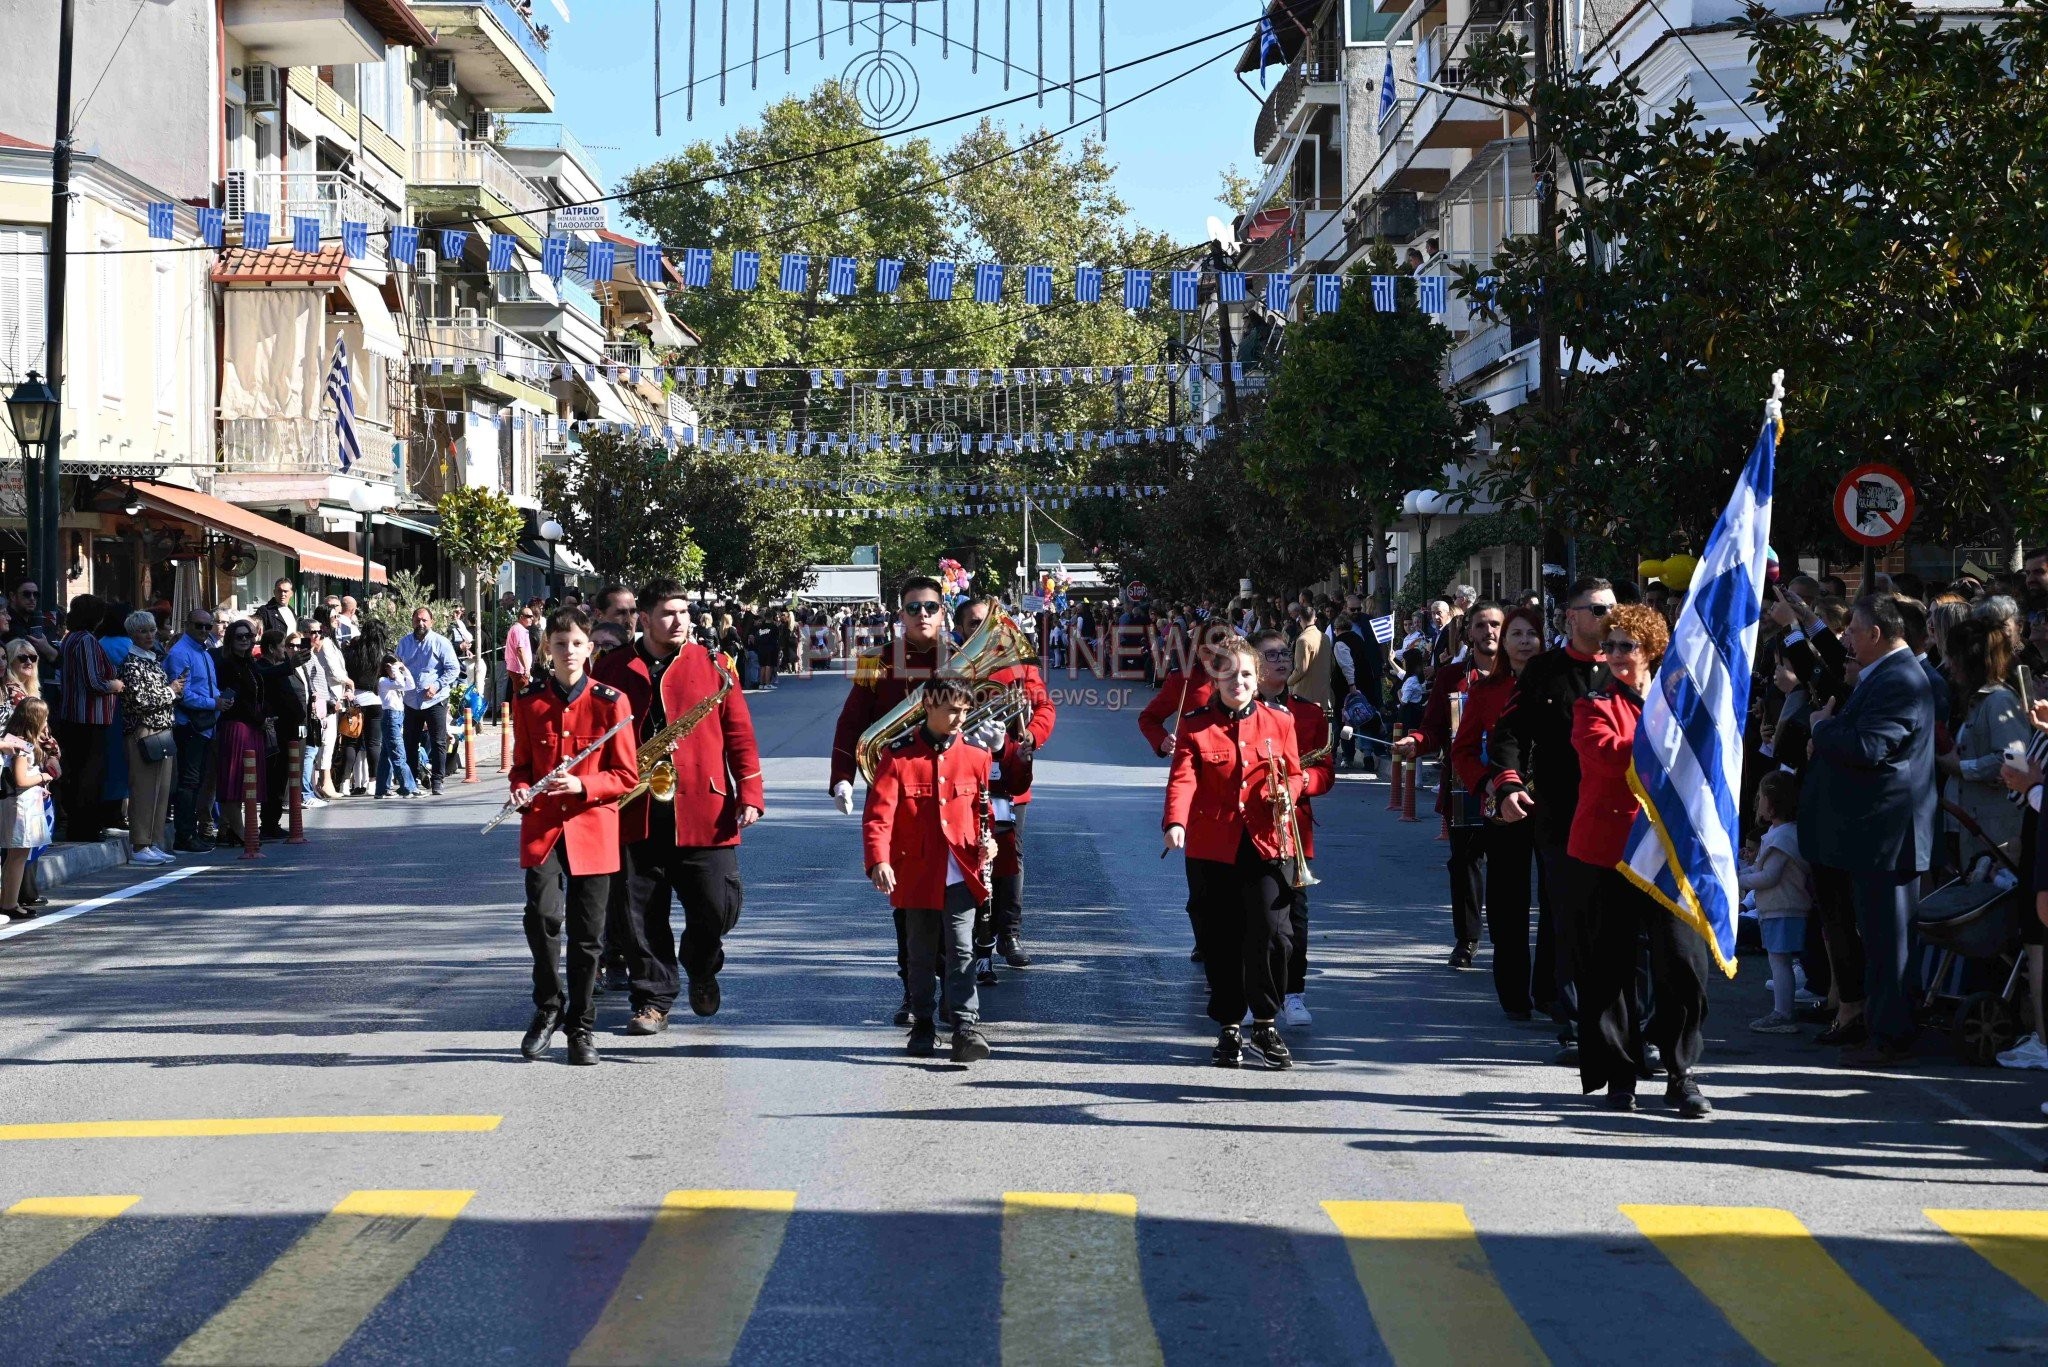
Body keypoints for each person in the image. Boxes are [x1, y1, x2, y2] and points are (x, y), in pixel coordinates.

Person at [593, 578, 764, 1032]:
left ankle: (701, 963)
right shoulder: (610, 670)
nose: (679, 621)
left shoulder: (715, 665)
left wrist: (750, 793)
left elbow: (739, 734)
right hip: (634, 807)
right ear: (643, 619)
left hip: (703, 807)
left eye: (684, 613)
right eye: (668, 614)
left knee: (717, 905)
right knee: (637, 913)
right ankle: (652, 999)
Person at [1567, 603, 1711, 1117]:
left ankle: (1681, 1072)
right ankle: (1619, 1075)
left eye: (1628, 646)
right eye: (1610, 646)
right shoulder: (1593, 704)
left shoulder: (1683, 703)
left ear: (1651, 650)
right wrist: (1663, 737)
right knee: (1608, 967)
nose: (1617, 655)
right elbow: (1606, 754)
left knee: (1683, 962)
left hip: (1671, 853)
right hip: (1607, 852)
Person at [1801, 593, 1938, 1069]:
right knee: (1876, 939)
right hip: (1868, 834)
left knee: (1889, 942)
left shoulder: (1900, 679)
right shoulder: (1883, 674)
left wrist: (1822, 727)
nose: (1846, 638)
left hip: (1888, 835)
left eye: (1853, 631)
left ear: (1877, 634)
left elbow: (1870, 745)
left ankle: (1891, 1036)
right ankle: (1879, 1027)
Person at [1489, 575, 1616, 1065]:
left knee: (1625, 922)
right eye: (1598, 609)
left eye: (1612, 608)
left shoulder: (1632, 668)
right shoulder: (1544, 670)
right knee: (1570, 915)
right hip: (1563, 815)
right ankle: (1579, 1023)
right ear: (1572, 616)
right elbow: (1509, 735)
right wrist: (1509, 783)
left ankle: (1629, 1021)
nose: (1608, 618)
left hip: (1627, 816)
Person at [1164, 637, 1306, 1070]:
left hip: (1267, 843)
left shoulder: (1279, 721)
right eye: (1229, 674)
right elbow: (1183, 778)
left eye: (1246, 674)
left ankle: (1264, 1020)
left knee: (1273, 934)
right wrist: (1175, 822)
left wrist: (1288, 791)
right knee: (1219, 936)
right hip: (1212, 846)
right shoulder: (1195, 724)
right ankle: (1229, 1026)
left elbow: (1296, 773)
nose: (1238, 682)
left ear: (1257, 678)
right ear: (1215, 678)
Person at [509, 607, 640, 1066]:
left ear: (590, 649)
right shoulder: (529, 701)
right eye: (559, 644)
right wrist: (521, 788)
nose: (568, 652)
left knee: (588, 935)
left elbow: (627, 775)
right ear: (547, 647)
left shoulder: (610, 701)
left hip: (592, 826)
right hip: (543, 824)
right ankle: (547, 1007)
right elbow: (521, 766)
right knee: (542, 920)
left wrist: (585, 784)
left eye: (577, 644)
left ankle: (581, 1027)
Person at [863, 675, 1016, 1061]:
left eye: (965, 710)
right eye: (952, 710)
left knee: (962, 950)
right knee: (919, 952)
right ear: (928, 705)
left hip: (962, 870)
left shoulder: (978, 757)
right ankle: (924, 1024)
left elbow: (986, 812)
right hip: (916, 872)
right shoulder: (898, 757)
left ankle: (966, 1026)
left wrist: (991, 840)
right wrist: (879, 860)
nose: (960, 718)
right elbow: (878, 817)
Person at [830, 576, 954, 1022]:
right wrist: (843, 777)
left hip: (953, 794)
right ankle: (914, 989)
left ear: (944, 611)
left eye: (931, 607)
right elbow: (851, 722)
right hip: (900, 795)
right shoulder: (872, 662)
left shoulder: (961, 661)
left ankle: (957, 981)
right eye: (913, 607)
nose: (923, 614)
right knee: (906, 899)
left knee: (958, 895)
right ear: (899, 614)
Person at [1451, 605, 1547, 1019]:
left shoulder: (1561, 684)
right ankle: (1513, 993)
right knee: (1508, 903)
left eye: (1531, 633)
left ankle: (1551, 991)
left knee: (1559, 900)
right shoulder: (1487, 691)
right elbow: (1464, 750)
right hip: (1503, 806)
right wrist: (1489, 783)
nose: (1525, 641)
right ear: (1504, 644)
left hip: (1555, 805)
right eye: (1516, 634)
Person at [952, 598, 1057, 973]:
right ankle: (975, 937)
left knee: (1010, 854)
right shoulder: (951, 666)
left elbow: (1045, 707)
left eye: (987, 624)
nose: (982, 630)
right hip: (963, 774)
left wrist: (1029, 735)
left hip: (1010, 771)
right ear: (960, 629)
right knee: (968, 855)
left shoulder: (1020, 663)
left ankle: (1009, 932)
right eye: (973, 624)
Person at [1394, 605, 1502, 968]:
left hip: (1510, 788)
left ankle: (1508, 941)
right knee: (1466, 865)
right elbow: (1434, 729)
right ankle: (1467, 939)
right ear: (1469, 632)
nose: (1489, 631)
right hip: (1464, 787)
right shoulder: (1451, 677)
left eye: (1496, 624)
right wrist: (1416, 741)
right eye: (1481, 625)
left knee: (1508, 870)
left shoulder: (1521, 676)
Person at [1250, 629, 1335, 1030]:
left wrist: (1296, 784)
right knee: (1252, 917)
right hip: (1247, 825)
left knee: (1294, 918)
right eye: (1271, 655)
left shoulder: (1309, 712)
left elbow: (1325, 771)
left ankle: (1293, 993)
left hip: (1292, 826)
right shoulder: (1237, 709)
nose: (1282, 660)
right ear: (1252, 662)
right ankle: (1252, 995)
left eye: (1285, 652)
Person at [1940, 617, 2028, 868]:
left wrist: (1961, 768)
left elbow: (2014, 761)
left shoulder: (1999, 701)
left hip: (1996, 833)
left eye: (1953, 656)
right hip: (1973, 825)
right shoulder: (1977, 700)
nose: (1949, 664)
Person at [1741, 770, 1813, 1034]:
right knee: (1780, 961)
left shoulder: (1783, 836)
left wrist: (1739, 880)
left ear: (1773, 803)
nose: (1758, 802)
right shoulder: (1778, 832)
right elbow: (1762, 869)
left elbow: (1769, 876)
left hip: (1784, 908)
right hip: (1777, 908)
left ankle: (1783, 1014)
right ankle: (1784, 1011)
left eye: (1761, 797)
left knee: (1779, 962)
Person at [54, 594, 124, 842]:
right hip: (90, 716)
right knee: (89, 774)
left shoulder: (69, 639)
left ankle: (80, 824)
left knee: (78, 772)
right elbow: (93, 681)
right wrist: (115, 685)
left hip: (74, 713)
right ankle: (85, 827)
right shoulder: (86, 641)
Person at [118, 611, 181, 866]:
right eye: (143, 631)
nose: (149, 635)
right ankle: (140, 844)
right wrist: (171, 691)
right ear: (132, 634)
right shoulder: (132, 663)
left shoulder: (153, 659)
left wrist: (171, 691)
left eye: (152, 630)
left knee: (162, 789)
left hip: (163, 729)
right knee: (143, 789)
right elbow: (141, 700)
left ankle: (153, 842)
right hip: (143, 730)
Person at [163, 609, 220, 854]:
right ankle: (184, 835)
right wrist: (212, 703)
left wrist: (219, 701)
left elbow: (210, 686)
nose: (204, 631)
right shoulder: (180, 653)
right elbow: (182, 693)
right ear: (188, 625)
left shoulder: (204, 652)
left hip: (206, 724)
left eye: (208, 626)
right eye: (199, 626)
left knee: (196, 782)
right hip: (189, 725)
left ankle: (192, 832)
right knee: (188, 781)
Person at [0, 699, 54, 920]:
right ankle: (10, 903)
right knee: (18, 854)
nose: (46, 723)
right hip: (21, 806)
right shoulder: (22, 746)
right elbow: (21, 779)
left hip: (25, 802)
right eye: (44, 718)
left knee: (19, 854)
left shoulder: (20, 742)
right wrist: (42, 777)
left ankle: (9, 900)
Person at [213, 620, 266, 846]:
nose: (245, 640)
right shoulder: (227, 664)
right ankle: (241, 831)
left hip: (252, 727)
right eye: (239, 637)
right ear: (230, 639)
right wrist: (260, 720)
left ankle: (228, 829)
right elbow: (236, 701)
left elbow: (260, 692)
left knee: (247, 784)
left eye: (248, 636)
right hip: (235, 726)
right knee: (233, 782)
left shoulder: (251, 663)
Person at [397, 607, 460, 796]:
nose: (421, 624)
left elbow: (453, 669)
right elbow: (397, 665)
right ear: (412, 621)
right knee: (410, 740)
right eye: (417, 620)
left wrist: (437, 685)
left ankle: (438, 780)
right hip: (411, 700)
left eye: (424, 620)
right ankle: (412, 779)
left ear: (431, 622)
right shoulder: (404, 643)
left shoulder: (441, 643)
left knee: (438, 740)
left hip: (435, 700)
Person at [256, 629, 309, 839]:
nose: (285, 651)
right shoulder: (263, 667)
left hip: (288, 730)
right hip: (275, 732)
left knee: (281, 778)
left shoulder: (278, 668)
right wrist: (289, 665)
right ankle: (268, 823)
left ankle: (272, 822)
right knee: (274, 778)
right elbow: (267, 678)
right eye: (281, 647)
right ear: (271, 648)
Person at [375, 652, 421, 797]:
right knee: (398, 754)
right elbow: (400, 684)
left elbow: (410, 685)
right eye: (394, 667)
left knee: (386, 755)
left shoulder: (394, 681)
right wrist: (394, 670)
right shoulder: (383, 681)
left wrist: (403, 668)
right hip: (391, 717)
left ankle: (382, 789)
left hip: (397, 717)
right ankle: (409, 788)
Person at [1287, 603, 1332, 713]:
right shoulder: (1325, 637)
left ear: (1300, 619)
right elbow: (1332, 663)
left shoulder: (1303, 640)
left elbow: (1301, 669)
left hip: (1305, 694)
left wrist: (1288, 681)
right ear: (1315, 619)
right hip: (1323, 693)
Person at [505, 603, 536, 701]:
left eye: (532, 616)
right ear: (521, 617)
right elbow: (520, 650)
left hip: (519, 668)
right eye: (529, 616)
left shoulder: (519, 629)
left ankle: (517, 714)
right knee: (522, 695)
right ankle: (518, 715)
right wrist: (526, 669)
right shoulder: (518, 630)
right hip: (519, 669)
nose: (532, 618)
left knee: (521, 694)